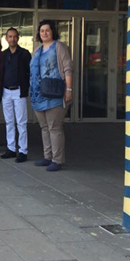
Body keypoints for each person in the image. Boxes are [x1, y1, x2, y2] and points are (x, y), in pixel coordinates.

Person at [30, 20, 73, 172]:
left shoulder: (59, 47)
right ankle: (47, 157)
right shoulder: (37, 50)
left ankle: (57, 160)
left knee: (55, 128)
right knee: (44, 128)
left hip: (54, 94)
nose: (44, 33)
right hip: (38, 95)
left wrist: (69, 89)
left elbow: (67, 68)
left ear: (53, 31)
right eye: (42, 30)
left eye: (47, 30)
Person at [0, 28, 32, 162]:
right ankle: (11, 149)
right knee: (9, 122)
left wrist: (27, 87)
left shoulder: (24, 54)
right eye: (10, 36)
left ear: (18, 38)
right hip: (6, 91)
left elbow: (29, 72)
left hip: (19, 91)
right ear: (6, 38)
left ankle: (23, 151)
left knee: (21, 122)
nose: (12, 39)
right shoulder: (3, 55)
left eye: (14, 36)